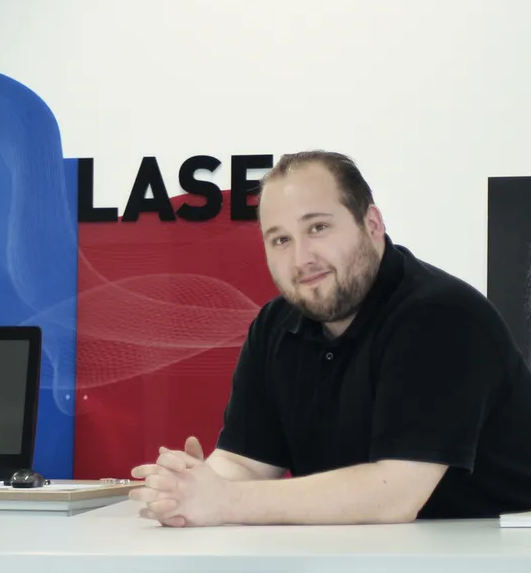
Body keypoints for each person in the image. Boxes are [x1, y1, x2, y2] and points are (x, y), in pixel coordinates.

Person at [129, 150, 531, 527]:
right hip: (355, 555)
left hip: (494, 555)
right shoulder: (274, 325)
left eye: (318, 227)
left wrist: (223, 502)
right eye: (280, 239)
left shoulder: (440, 316)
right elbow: (245, 464)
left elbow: (395, 494)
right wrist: (188, 491)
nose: (301, 258)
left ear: (372, 224)